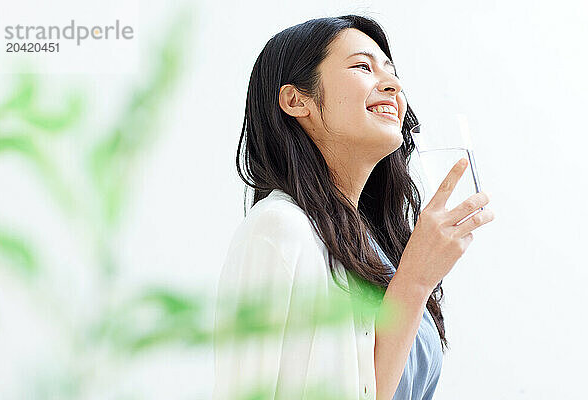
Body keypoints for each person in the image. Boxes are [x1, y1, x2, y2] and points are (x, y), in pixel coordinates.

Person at [212, 14, 495, 400]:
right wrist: (414, 280)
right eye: (363, 66)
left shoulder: (373, 247)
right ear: (297, 101)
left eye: (391, 72)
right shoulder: (277, 230)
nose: (393, 85)